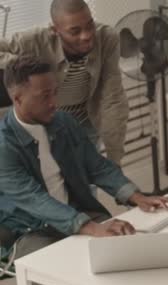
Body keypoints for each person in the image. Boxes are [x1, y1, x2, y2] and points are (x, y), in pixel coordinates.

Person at [0, 55, 168, 285]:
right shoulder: (4, 146)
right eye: (45, 95)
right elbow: (35, 201)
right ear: (18, 98)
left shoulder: (63, 122)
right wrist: (93, 228)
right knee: (58, 281)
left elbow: (97, 165)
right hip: (30, 228)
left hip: (76, 211)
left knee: (127, 251)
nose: (54, 102)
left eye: (55, 92)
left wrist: (135, 195)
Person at [0, 0, 129, 165]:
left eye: (90, 25)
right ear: (55, 30)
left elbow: (113, 98)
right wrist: (27, 66)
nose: (86, 35)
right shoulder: (34, 40)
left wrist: (115, 159)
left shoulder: (107, 38)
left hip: (85, 122)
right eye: (75, 31)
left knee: (86, 184)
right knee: (53, 183)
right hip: (45, 125)